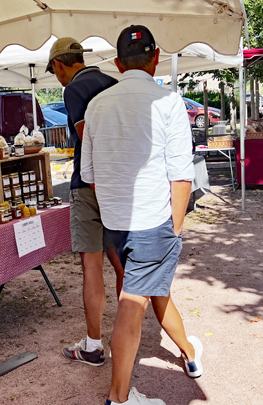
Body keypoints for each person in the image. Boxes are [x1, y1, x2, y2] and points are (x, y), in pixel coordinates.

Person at [81, 25, 201, 405]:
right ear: (156, 57)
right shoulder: (168, 100)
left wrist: (115, 212)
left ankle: (191, 355)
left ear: (117, 64)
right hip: (154, 221)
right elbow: (182, 176)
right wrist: (176, 230)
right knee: (133, 305)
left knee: (155, 293)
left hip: (117, 223)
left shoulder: (96, 105)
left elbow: (90, 176)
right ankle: (118, 399)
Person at [46, 37, 125, 367]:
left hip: (89, 185)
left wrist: (94, 182)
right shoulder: (112, 82)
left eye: (54, 72)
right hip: (118, 184)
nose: (57, 78)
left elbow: (86, 135)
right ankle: (127, 329)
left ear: (61, 65)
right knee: (120, 260)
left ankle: (93, 346)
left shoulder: (73, 89)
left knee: (91, 265)